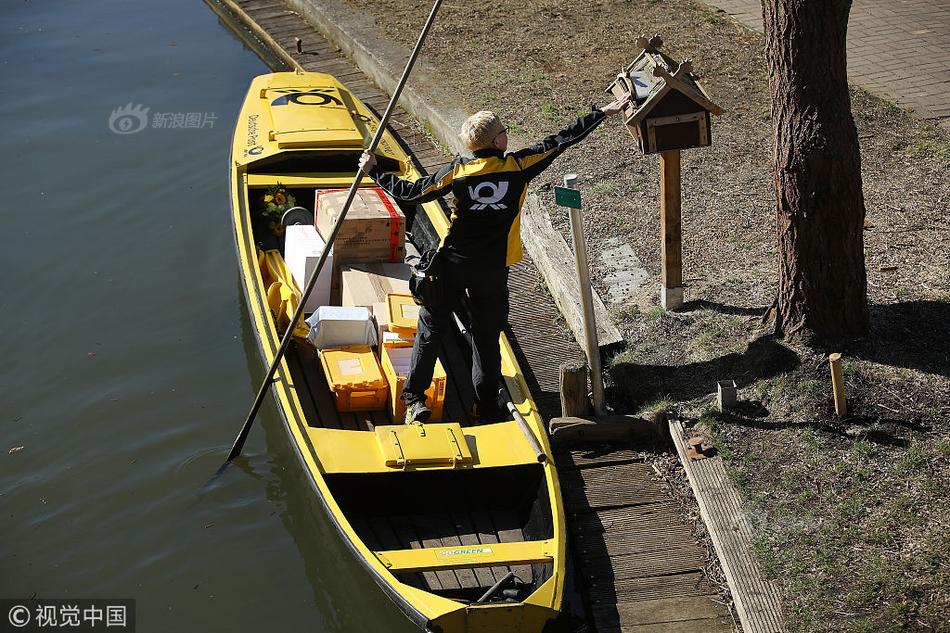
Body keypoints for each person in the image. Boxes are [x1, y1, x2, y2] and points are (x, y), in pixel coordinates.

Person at [359, 93, 631, 423]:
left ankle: (415, 399)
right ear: (496, 140)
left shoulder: (459, 171)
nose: (507, 134)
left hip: (451, 267)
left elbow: (412, 192)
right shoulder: (519, 167)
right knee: (486, 336)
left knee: (431, 328)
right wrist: (602, 111)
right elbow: (562, 140)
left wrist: (374, 171)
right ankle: (485, 405)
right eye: (504, 130)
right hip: (492, 269)